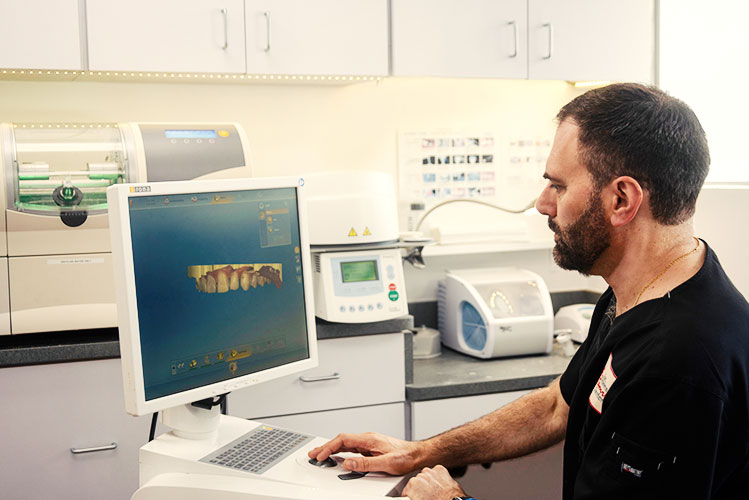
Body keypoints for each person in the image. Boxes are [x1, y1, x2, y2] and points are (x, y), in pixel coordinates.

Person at [308, 83, 749, 499]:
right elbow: (558, 406)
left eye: (558, 185)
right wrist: (421, 451)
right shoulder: (639, 291)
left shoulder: (678, 367)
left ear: (621, 200)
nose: (543, 203)